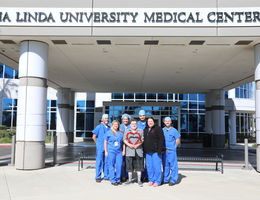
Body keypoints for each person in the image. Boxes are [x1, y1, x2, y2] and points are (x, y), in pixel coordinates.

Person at [143, 117, 165, 187]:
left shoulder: (158, 128)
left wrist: (159, 150)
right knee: (149, 167)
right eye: (149, 121)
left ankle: (157, 181)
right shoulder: (145, 129)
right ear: (147, 122)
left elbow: (161, 140)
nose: (150, 122)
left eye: (151, 121)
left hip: (156, 152)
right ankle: (151, 180)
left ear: (154, 121)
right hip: (148, 152)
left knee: (157, 167)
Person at [123, 119, 144, 187]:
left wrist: (137, 145)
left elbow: (142, 139)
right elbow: (124, 139)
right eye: (132, 124)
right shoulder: (126, 131)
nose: (134, 125)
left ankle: (139, 180)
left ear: (137, 124)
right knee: (129, 166)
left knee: (139, 166)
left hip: (138, 151)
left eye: (135, 123)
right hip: (129, 151)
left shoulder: (140, 131)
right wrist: (130, 145)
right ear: (130, 125)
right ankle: (129, 180)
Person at [104, 120, 125, 186]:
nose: (116, 125)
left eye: (117, 124)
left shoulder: (121, 133)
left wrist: (124, 150)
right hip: (111, 151)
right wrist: (106, 151)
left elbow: (123, 143)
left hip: (119, 152)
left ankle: (118, 179)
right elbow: (105, 142)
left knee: (119, 165)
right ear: (112, 125)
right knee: (111, 165)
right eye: (114, 124)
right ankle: (112, 180)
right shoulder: (108, 133)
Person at [162, 117, 181, 186]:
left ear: (171, 122)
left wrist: (174, 147)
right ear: (164, 122)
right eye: (166, 121)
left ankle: (173, 180)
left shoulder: (174, 130)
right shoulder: (162, 130)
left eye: (168, 121)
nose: (167, 122)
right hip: (164, 151)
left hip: (171, 151)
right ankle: (166, 179)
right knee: (165, 166)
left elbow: (177, 140)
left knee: (173, 166)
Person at [92, 114, 110, 182]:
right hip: (100, 147)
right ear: (102, 119)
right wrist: (98, 144)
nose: (106, 119)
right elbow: (93, 137)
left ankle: (106, 176)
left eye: (107, 118)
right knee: (99, 162)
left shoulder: (109, 127)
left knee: (106, 162)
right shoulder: (99, 127)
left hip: (107, 148)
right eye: (105, 118)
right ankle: (98, 177)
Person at [120, 113, 131, 182]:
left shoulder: (131, 126)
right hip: (120, 147)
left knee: (128, 162)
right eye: (124, 119)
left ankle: (126, 176)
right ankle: (122, 175)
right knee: (121, 162)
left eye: (126, 119)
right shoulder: (119, 126)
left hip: (129, 147)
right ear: (122, 120)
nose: (125, 120)